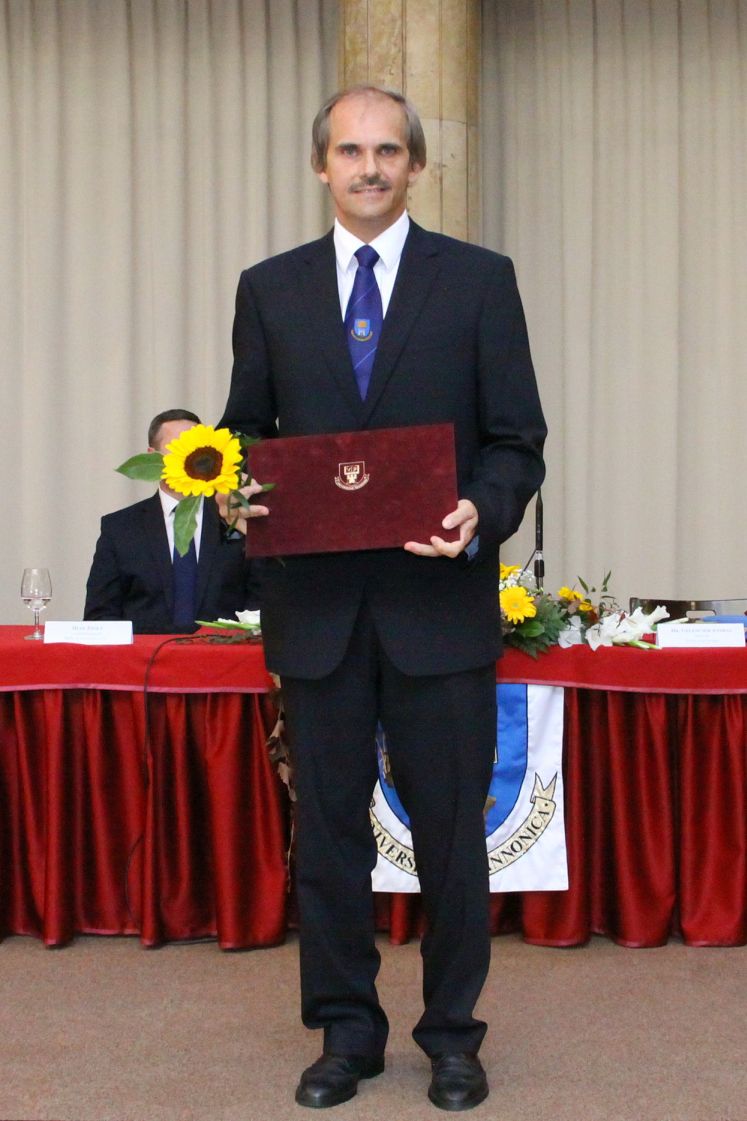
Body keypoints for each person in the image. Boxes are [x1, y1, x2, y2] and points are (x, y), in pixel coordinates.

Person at [218, 85, 546, 1111]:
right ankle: (346, 1032)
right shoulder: (269, 288)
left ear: (415, 165)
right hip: (316, 613)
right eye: (351, 151)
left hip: (437, 604)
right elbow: (244, 432)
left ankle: (452, 1035)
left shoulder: (479, 281)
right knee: (328, 839)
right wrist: (233, 490)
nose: (369, 168)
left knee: (450, 836)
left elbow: (517, 440)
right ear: (321, 165)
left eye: (388, 151)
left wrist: (480, 510)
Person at [84, 409, 259, 633]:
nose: (191, 458)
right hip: (146, 653)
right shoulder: (120, 528)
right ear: (152, 457)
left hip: (222, 651)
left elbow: (261, 603)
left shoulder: (235, 517)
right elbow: (99, 617)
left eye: (197, 448)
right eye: (177, 448)